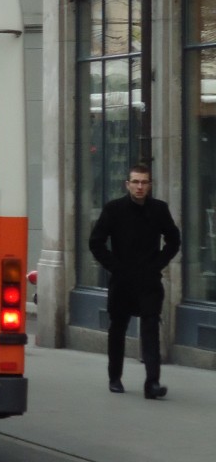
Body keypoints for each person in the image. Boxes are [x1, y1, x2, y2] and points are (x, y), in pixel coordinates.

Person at [88, 163, 181, 400]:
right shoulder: (114, 209)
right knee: (117, 328)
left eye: (144, 182)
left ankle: (152, 383)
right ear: (127, 184)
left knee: (151, 329)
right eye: (136, 182)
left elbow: (173, 239)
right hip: (122, 280)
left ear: (150, 185)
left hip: (149, 280)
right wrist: (115, 267)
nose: (140, 187)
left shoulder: (159, 209)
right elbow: (96, 242)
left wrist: (157, 264)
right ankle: (114, 377)